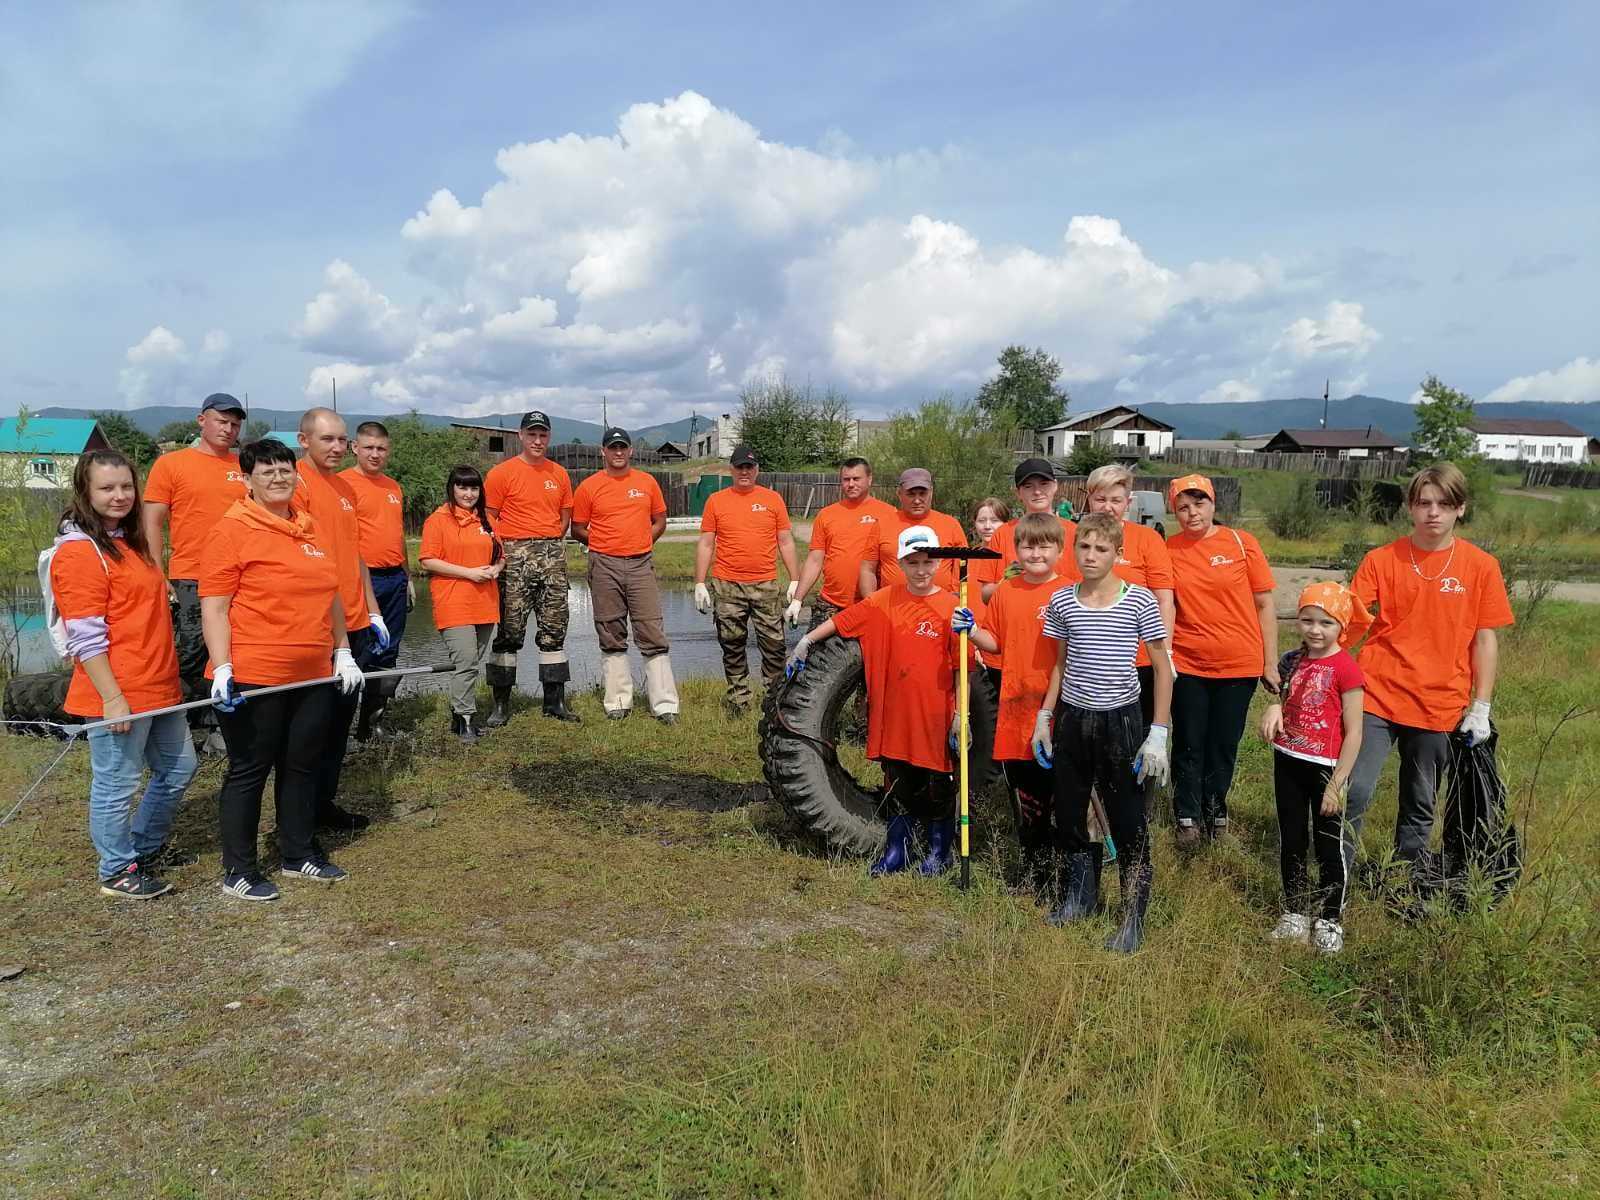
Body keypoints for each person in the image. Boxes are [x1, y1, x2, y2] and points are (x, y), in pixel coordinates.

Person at [200, 438, 363, 901]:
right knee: (250, 769)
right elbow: (214, 608)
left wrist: (342, 649)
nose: (278, 477)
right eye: (266, 471)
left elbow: (330, 593)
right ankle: (239, 870)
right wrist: (223, 666)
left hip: (313, 672)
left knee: (302, 765)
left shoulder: (307, 528)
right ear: (247, 480)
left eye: (284, 469)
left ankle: (298, 853)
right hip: (255, 672)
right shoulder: (230, 531)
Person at [1346, 463, 1513, 877]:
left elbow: (1485, 639)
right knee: (1354, 789)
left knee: (1420, 802)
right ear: (1410, 508)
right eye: (1424, 503)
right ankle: (1338, 876)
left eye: (1444, 504)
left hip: (1439, 702)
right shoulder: (1381, 560)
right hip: (1377, 695)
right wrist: (1314, 666)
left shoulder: (1481, 566)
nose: (1433, 513)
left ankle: (1405, 880)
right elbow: (1347, 620)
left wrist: (1481, 706)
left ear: (1461, 509)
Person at [51, 450, 196, 899]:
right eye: (106, 488)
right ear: (85, 491)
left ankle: (142, 848)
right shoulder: (80, 553)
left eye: (126, 487)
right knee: (117, 784)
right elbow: (86, 638)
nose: (119, 496)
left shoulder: (129, 543)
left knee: (179, 769)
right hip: (119, 692)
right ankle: (116, 870)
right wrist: (112, 697)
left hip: (160, 685)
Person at [786, 525, 964, 877]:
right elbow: (843, 620)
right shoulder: (884, 600)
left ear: (939, 564)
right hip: (895, 713)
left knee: (937, 784)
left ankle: (939, 852)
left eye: (928, 562)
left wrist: (960, 713)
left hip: (935, 713)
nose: (921, 569)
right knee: (898, 781)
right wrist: (806, 640)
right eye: (913, 562)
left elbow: (963, 666)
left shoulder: (951, 607)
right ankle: (897, 851)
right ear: (901, 563)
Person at [1032, 513, 1174, 953]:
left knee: (1127, 819)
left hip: (1121, 720)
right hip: (1074, 718)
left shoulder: (1140, 602)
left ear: (1117, 554)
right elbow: (1059, 663)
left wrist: (1159, 732)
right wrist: (1045, 715)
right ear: (1074, 551)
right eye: (1084, 548)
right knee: (1070, 813)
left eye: (1101, 549)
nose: (1091, 557)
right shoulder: (1062, 601)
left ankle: (1132, 916)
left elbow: (1163, 669)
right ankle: (1080, 897)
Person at [1165, 473, 1277, 848]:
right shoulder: (1169, 549)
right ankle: (1186, 816)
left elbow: (1264, 604)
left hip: (1239, 663)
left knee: (1223, 743)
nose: (1192, 513)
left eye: (1199, 504)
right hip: (1189, 662)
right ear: (1174, 511)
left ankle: (1215, 811)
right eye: (1183, 507)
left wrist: (1270, 662)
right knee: (1189, 742)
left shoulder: (1241, 543)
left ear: (1214, 504)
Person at [1260, 583, 1370, 954]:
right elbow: (1280, 694)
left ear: (1341, 626)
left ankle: (1330, 918)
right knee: (1292, 838)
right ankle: (1294, 912)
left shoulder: (1346, 668)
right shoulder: (1292, 660)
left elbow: (1355, 733)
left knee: (1328, 845)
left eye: (1325, 622)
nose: (1315, 630)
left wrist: (1337, 784)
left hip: (1327, 769)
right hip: (1288, 761)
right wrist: (1274, 706)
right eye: (1307, 620)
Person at [964, 512, 1071, 894]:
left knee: (1059, 794)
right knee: (1025, 796)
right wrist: (973, 630)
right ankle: (1033, 873)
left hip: (1059, 708)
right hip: (1015, 705)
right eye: (1027, 545)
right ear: (1016, 550)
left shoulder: (1070, 592)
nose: (1035, 552)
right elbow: (996, 642)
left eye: (1044, 545)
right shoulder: (1007, 591)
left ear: (1059, 549)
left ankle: (1065, 876)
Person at [141, 391, 249, 753]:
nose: (229, 429)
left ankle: (221, 722)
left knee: (231, 649)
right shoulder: (172, 464)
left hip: (241, 575)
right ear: (202, 420)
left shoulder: (243, 466)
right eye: (222, 421)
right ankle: (179, 724)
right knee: (189, 652)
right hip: (191, 575)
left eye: (235, 424)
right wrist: (157, 572)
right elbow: (152, 522)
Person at [296, 407, 384, 832]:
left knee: (338, 725)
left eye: (341, 440)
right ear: (304, 440)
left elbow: (356, 554)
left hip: (355, 623)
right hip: (320, 628)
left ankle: (325, 803)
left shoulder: (345, 488)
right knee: (311, 729)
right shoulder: (294, 485)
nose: (336, 447)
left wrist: (372, 609)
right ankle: (299, 818)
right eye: (326, 439)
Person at [571, 426, 680, 724]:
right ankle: (618, 701)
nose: (618, 452)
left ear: (630, 451)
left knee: (651, 629)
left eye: (623, 447)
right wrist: (601, 545)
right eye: (612, 447)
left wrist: (643, 540)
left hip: (641, 563)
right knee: (610, 630)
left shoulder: (647, 483)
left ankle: (665, 704)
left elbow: (659, 520)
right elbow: (577, 528)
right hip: (604, 564)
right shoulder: (589, 487)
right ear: (603, 452)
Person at [483, 410, 578, 725]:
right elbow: (490, 514)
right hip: (515, 556)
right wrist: (506, 549)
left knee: (554, 630)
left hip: (552, 555)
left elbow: (565, 515)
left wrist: (550, 540)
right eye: (532, 434)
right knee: (509, 632)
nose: (537, 440)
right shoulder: (502, 473)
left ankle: (555, 703)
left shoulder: (559, 474)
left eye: (543, 435)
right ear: (521, 436)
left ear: (548, 437)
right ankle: (500, 706)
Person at [694, 444, 799, 715]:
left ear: (757, 470)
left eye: (749, 467)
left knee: (774, 646)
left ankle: (774, 701)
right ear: (731, 470)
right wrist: (699, 582)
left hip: (765, 584)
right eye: (739, 467)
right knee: (732, 645)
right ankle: (738, 700)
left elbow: (785, 541)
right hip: (727, 585)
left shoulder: (772, 499)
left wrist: (795, 580)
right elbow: (706, 543)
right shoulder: (716, 501)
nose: (744, 471)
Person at [1083, 463, 1175, 731]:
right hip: (1088, 660)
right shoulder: (1074, 538)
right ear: (1089, 499)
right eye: (1100, 499)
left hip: (1138, 660)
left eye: (1116, 500)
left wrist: (1166, 651)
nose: (1107, 507)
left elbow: (1164, 599)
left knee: (1136, 735)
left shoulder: (1147, 539)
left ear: (1128, 502)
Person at [419, 466, 503, 743]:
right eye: (462, 487)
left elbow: (500, 556)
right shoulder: (438, 520)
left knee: (472, 661)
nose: (468, 494)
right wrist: (469, 573)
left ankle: (458, 715)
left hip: (485, 602)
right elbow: (428, 560)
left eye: (473, 488)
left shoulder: (487, 519)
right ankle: (467, 719)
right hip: (453, 601)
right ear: (452, 488)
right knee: (466, 661)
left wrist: (496, 569)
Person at [340, 420, 411, 741]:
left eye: (381, 448)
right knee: (355, 652)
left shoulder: (393, 487)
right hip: (356, 582)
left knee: (388, 651)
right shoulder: (341, 484)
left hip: (393, 578)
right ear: (355, 448)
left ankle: (371, 724)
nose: (375, 454)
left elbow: (397, 536)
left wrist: (407, 577)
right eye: (368, 447)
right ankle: (339, 726)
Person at [786, 457, 897, 631]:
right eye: (846, 479)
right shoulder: (826, 515)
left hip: (873, 604)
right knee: (815, 654)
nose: (851, 484)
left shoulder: (890, 514)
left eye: (856, 478)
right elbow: (815, 560)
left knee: (870, 657)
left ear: (870, 479)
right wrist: (798, 599)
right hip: (831, 604)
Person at [974, 459, 1078, 604]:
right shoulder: (1003, 533)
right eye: (1028, 486)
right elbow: (985, 595)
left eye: (1044, 484)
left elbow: (1088, 592)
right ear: (1018, 493)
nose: (1037, 492)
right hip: (1015, 618)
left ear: (1055, 486)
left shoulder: (1076, 533)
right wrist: (1006, 583)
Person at [858, 469, 968, 598]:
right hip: (894, 608)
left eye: (922, 494)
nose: (917, 500)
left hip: (940, 609)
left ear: (931, 493)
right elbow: (867, 569)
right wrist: (872, 605)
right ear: (899, 493)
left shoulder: (950, 525)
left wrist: (955, 602)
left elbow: (964, 568)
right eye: (911, 494)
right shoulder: (882, 525)